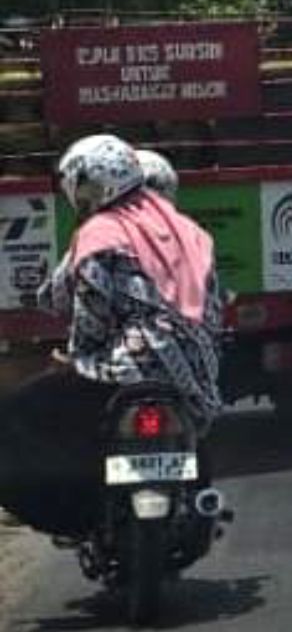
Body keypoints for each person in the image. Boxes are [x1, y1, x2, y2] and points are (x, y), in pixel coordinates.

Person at [0, 136, 224, 540]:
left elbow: (91, 314)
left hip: (123, 369)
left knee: (19, 414)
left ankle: (70, 514)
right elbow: (213, 307)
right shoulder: (190, 232)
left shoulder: (101, 232)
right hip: (193, 375)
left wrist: (75, 359)